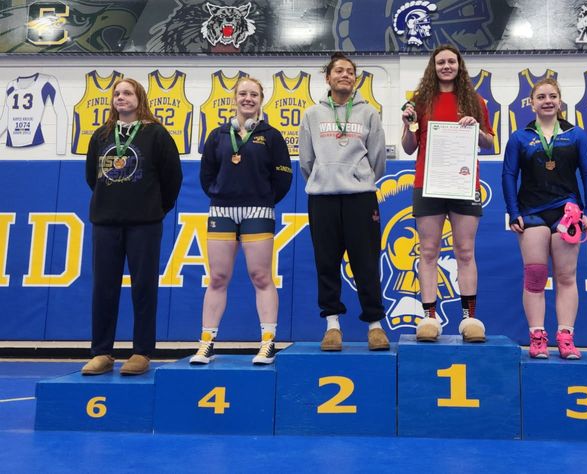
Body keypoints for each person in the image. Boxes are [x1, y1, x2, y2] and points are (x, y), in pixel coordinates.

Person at [82, 78, 182, 375]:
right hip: (106, 222)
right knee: (104, 288)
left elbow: (172, 178)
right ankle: (102, 352)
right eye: (116, 93)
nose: (120, 97)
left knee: (143, 287)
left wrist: (153, 209)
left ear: (140, 99)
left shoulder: (156, 134)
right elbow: (92, 176)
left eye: (127, 93)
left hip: (145, 224)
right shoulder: (101, 135)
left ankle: (141, 352)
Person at [192, 77, 293, 365]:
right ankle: (207, 343)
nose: (248, 99)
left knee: (260, 277)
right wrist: (220, 194)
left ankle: (267, 343)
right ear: (234, 98)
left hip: (258, 212)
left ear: (261, 100)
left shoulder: (271, 136)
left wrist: (263, 199)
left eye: (254, 94)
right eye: (243, 94)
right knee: (218, 277)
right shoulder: (218, 135)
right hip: (222, 211)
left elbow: (283, 177)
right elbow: (206, 175)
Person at [401, 44, 495, 343]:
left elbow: (489, 143)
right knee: (428, 252)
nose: (446, 66)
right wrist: (406, 126)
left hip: (463, 184)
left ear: (459, 65)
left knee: (465, 252)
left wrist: (476, 127)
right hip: (427, 183)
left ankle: (469, 319)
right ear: (433, 66)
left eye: (451, 61)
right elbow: (408, 147)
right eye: (440, 61)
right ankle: (429, 318)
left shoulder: (475, 100)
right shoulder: (419, 101)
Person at [502, 78, 587, 360]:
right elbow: (509, 175)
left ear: (560, 101)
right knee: (534, 277)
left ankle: (566, 336)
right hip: (531, 212)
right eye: (541, 96)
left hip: (567, 210)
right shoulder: (520, 138)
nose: (547, 100)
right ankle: (537, 336)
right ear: (531, 103)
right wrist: (513, 211)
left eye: (552, 96)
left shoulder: (577, 135)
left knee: (566, 276)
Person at [299, 52, 389, 351]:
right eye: (339, 70)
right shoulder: (312, 114)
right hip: (323, 198)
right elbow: (306, 161)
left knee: (366, 263)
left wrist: (357, 178)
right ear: (328, 77)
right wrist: (326, 177)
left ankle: (375, 325)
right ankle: (332, 325)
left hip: (360, 198)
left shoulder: (369, 113)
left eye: (350, 71)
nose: (345, 75)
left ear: (355, 78)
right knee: (326, 263)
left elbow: (377, 159)